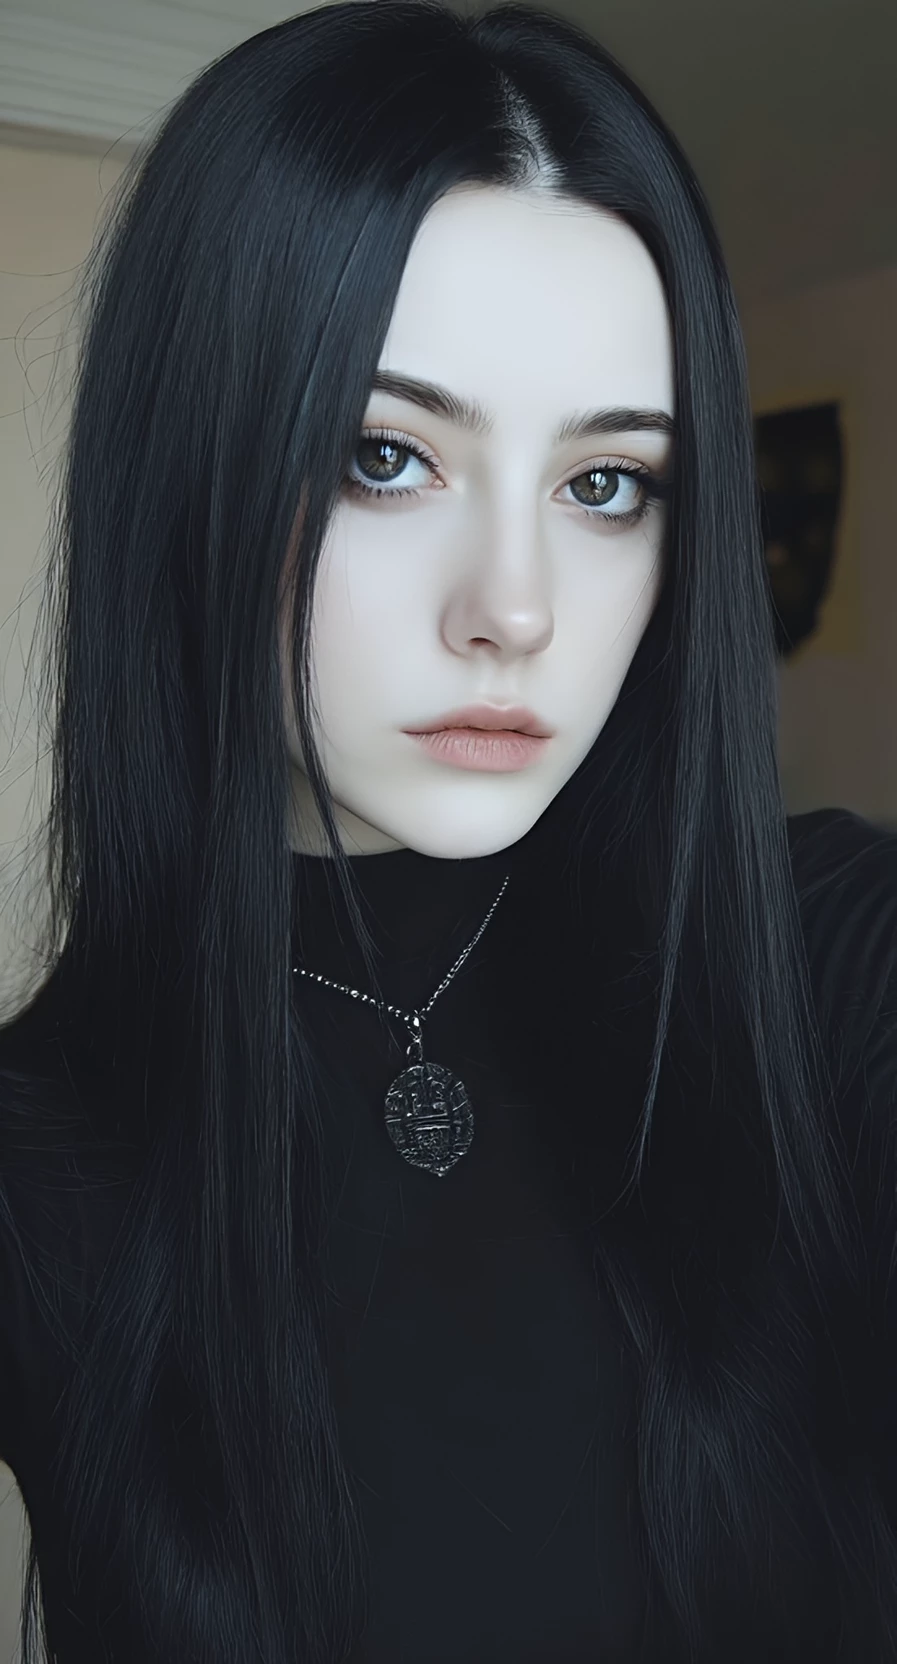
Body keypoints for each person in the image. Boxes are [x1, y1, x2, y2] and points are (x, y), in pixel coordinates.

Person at [1, 2, 896, 1659]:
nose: (516, 609)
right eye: (384, 455)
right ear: (195, 466)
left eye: (606, 484)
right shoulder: (42, 1153)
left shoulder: (821, 962)